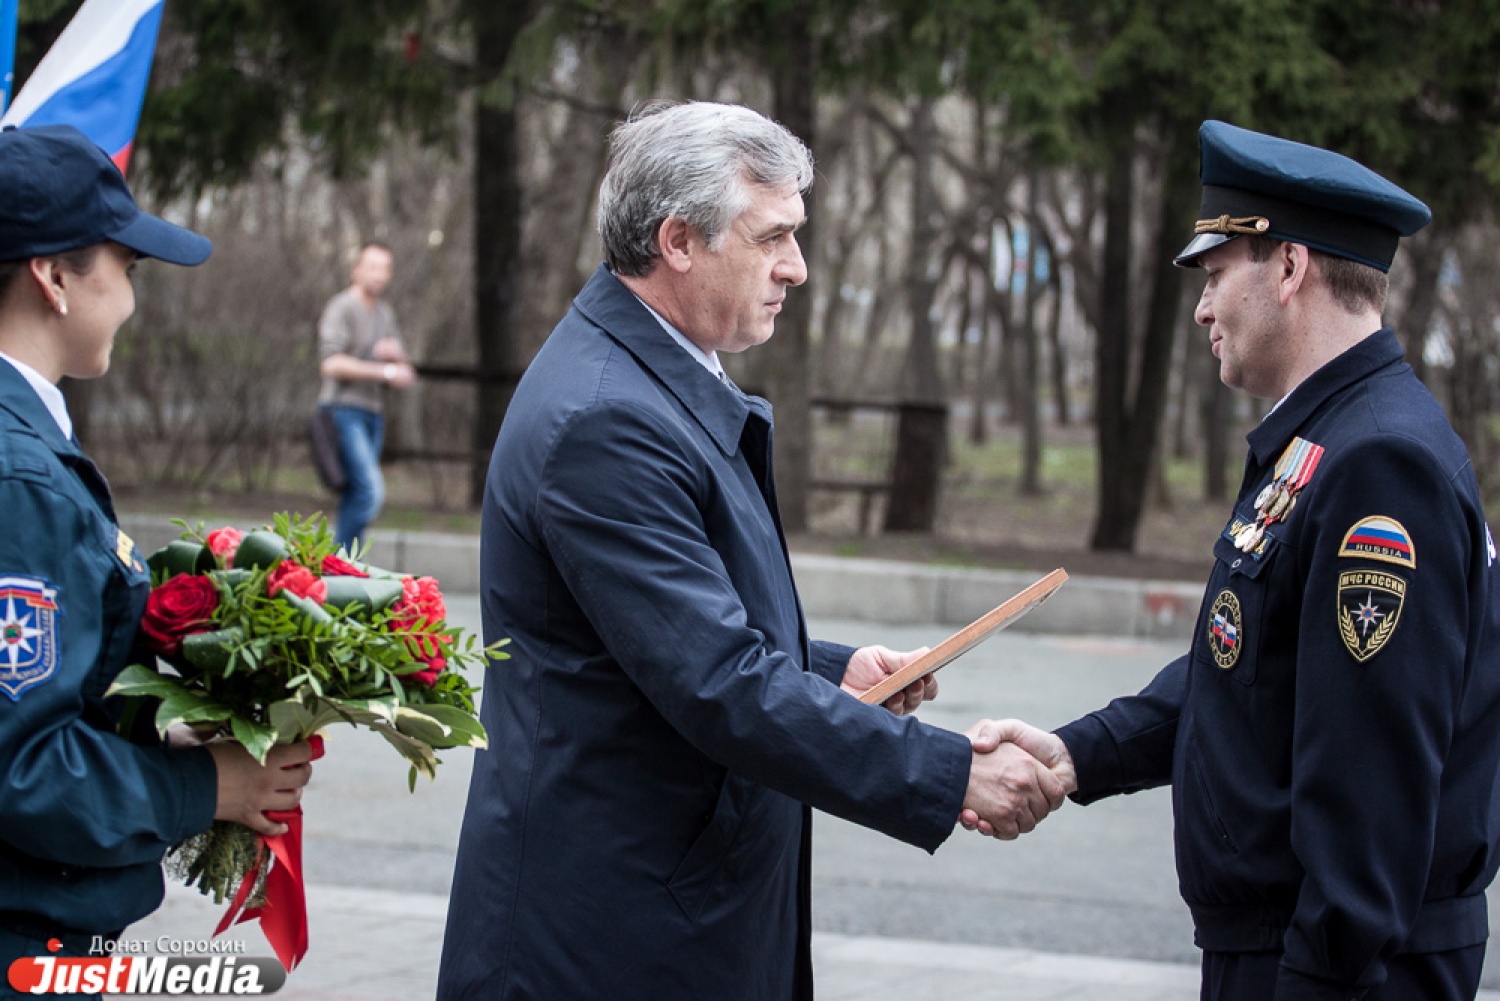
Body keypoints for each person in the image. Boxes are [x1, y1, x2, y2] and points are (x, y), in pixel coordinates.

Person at [436, 101, 1063, 1000]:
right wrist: (947, 771)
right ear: (678, 241)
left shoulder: (652, 373)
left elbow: (675, 629)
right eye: (772, 237)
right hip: (605, 934)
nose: (796, 266)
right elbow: (717, 679)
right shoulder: (606, 420)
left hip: (661, 907)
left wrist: (829, 670)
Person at [967, 120, 1500, 1000]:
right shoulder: (1329, 439)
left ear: (1288, 268)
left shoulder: (1378, 463)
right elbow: (1247, 664)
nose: (1203, 308)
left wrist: (1316, 978)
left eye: (1215, 275)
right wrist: (1078, 753)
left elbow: (1369, 792)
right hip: (1290, 946)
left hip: (1338, 965)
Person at [0, 124, 315, 992]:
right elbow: (19, 766)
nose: (133, 300)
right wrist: (206, 788)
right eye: (127, 268)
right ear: (54, 277)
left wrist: (155, 726)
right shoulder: (20, 476)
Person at [316, 241, 414, 553]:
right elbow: (330, 363)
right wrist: (384, 371)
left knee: (357, 494)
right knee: (371, 492)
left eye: (385, 268)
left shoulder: (385, 314)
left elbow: (404, 371)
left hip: (373, 412)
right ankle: (338, 561)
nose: (379, 275)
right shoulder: (342, 307)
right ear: (355, 270)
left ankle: (342, 565)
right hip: (343, 411)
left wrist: (397, 357)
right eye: (372, 267)